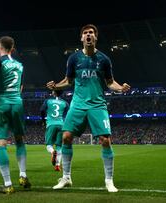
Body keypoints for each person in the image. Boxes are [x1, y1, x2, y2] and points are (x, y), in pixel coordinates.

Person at [46, 24, 131, 192]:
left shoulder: (104, 59)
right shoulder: (74, 58)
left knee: (105, 140)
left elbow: (109, 82)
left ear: (95, 37)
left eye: (91, 32)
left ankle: (109, 181)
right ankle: (66, 177)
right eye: (85, 33)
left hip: (97, 105)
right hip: (78, 104)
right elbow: (68, 80)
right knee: (66, 137)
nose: (88, 35)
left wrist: (120, 87)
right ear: (81, 38)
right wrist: (56, 85)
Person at [0, 36, 31, 194]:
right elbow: (20, 87)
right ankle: (23, 175)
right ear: (12, 49)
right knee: (19, 140)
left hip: (1, 104)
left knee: (1, 143)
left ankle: (8, 183)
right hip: (17, 103)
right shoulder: (20, 65)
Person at [40, 90, 69, 171]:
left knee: (49, 145)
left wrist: (43, 121)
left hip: (51, 124)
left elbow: (42, 110)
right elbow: (69, 114)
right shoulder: (65, 103)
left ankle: (52, 152)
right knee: (59, 146)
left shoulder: (48, 101)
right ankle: (57, 165)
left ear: (53, 93)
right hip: (61, 125)